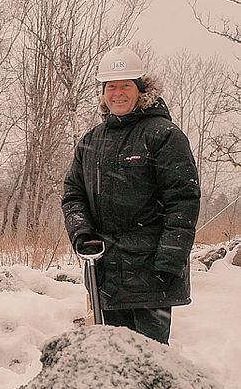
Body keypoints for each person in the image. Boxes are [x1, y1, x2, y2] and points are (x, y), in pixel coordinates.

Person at [61, 45, 201, 344]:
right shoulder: (91, 141)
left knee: (153, 368)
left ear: (141, 90)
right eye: (111, 86)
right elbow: (73, 194)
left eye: (126, 85)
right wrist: (82, 234)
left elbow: (183, 200)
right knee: (114, 368)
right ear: (103, 91)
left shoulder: (164, 135)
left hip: (152, 275)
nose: (118, 93)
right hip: (106, 275)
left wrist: (170, 260)